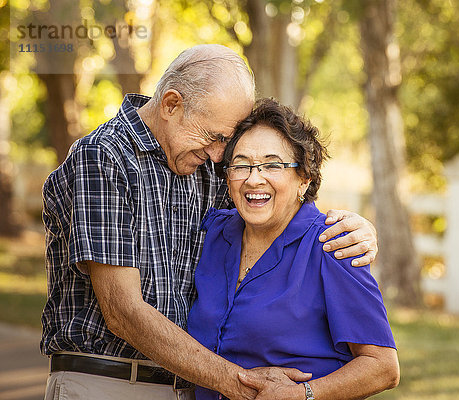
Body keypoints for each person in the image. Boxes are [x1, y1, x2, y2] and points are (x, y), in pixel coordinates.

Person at [41, 44, 379, 400]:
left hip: (187, 385)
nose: (221, 156)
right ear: (171, 104)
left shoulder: (201, 163)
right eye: (216, 137)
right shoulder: (104, 157)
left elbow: (273, 204)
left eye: (227, 142)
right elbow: (122, 313)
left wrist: (354, 228)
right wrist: (245, 386)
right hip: (110, 383)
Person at [187, 98, 399, 400]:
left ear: (304, 178)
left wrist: (304, 394)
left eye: (273, 165)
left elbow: (383, 367)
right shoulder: (214, 232)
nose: (254, 178)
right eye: (242, 165)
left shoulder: (333, 245)